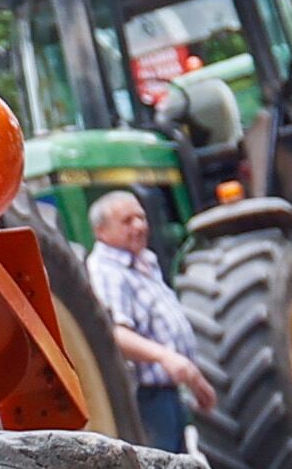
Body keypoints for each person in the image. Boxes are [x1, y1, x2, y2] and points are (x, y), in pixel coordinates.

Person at [79, 190, 215, 450]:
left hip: (169, 391)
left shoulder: (144, 262)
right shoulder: (107, 271)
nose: (139, 226)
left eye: (141, 217)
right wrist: (165, 357)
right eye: (127, 221)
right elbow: (116, 334)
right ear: (100, 231)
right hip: (147, 398)